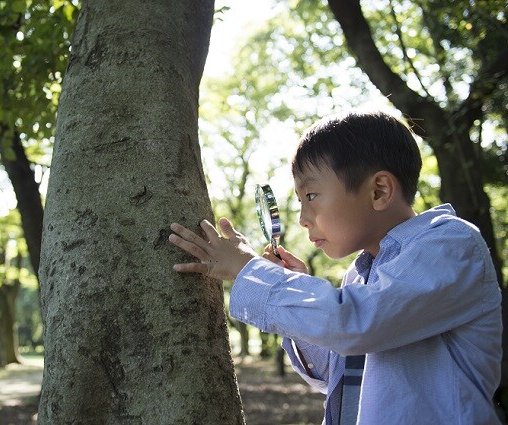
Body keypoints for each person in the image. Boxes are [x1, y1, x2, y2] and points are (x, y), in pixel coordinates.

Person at [168, 110, 502, 424]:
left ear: (379, 191)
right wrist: (293, 283)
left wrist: (250, 271)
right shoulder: (362, 272)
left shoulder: (450, 245)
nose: (301, 218)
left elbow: (357, 325)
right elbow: (337, 371)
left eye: (311, 195)